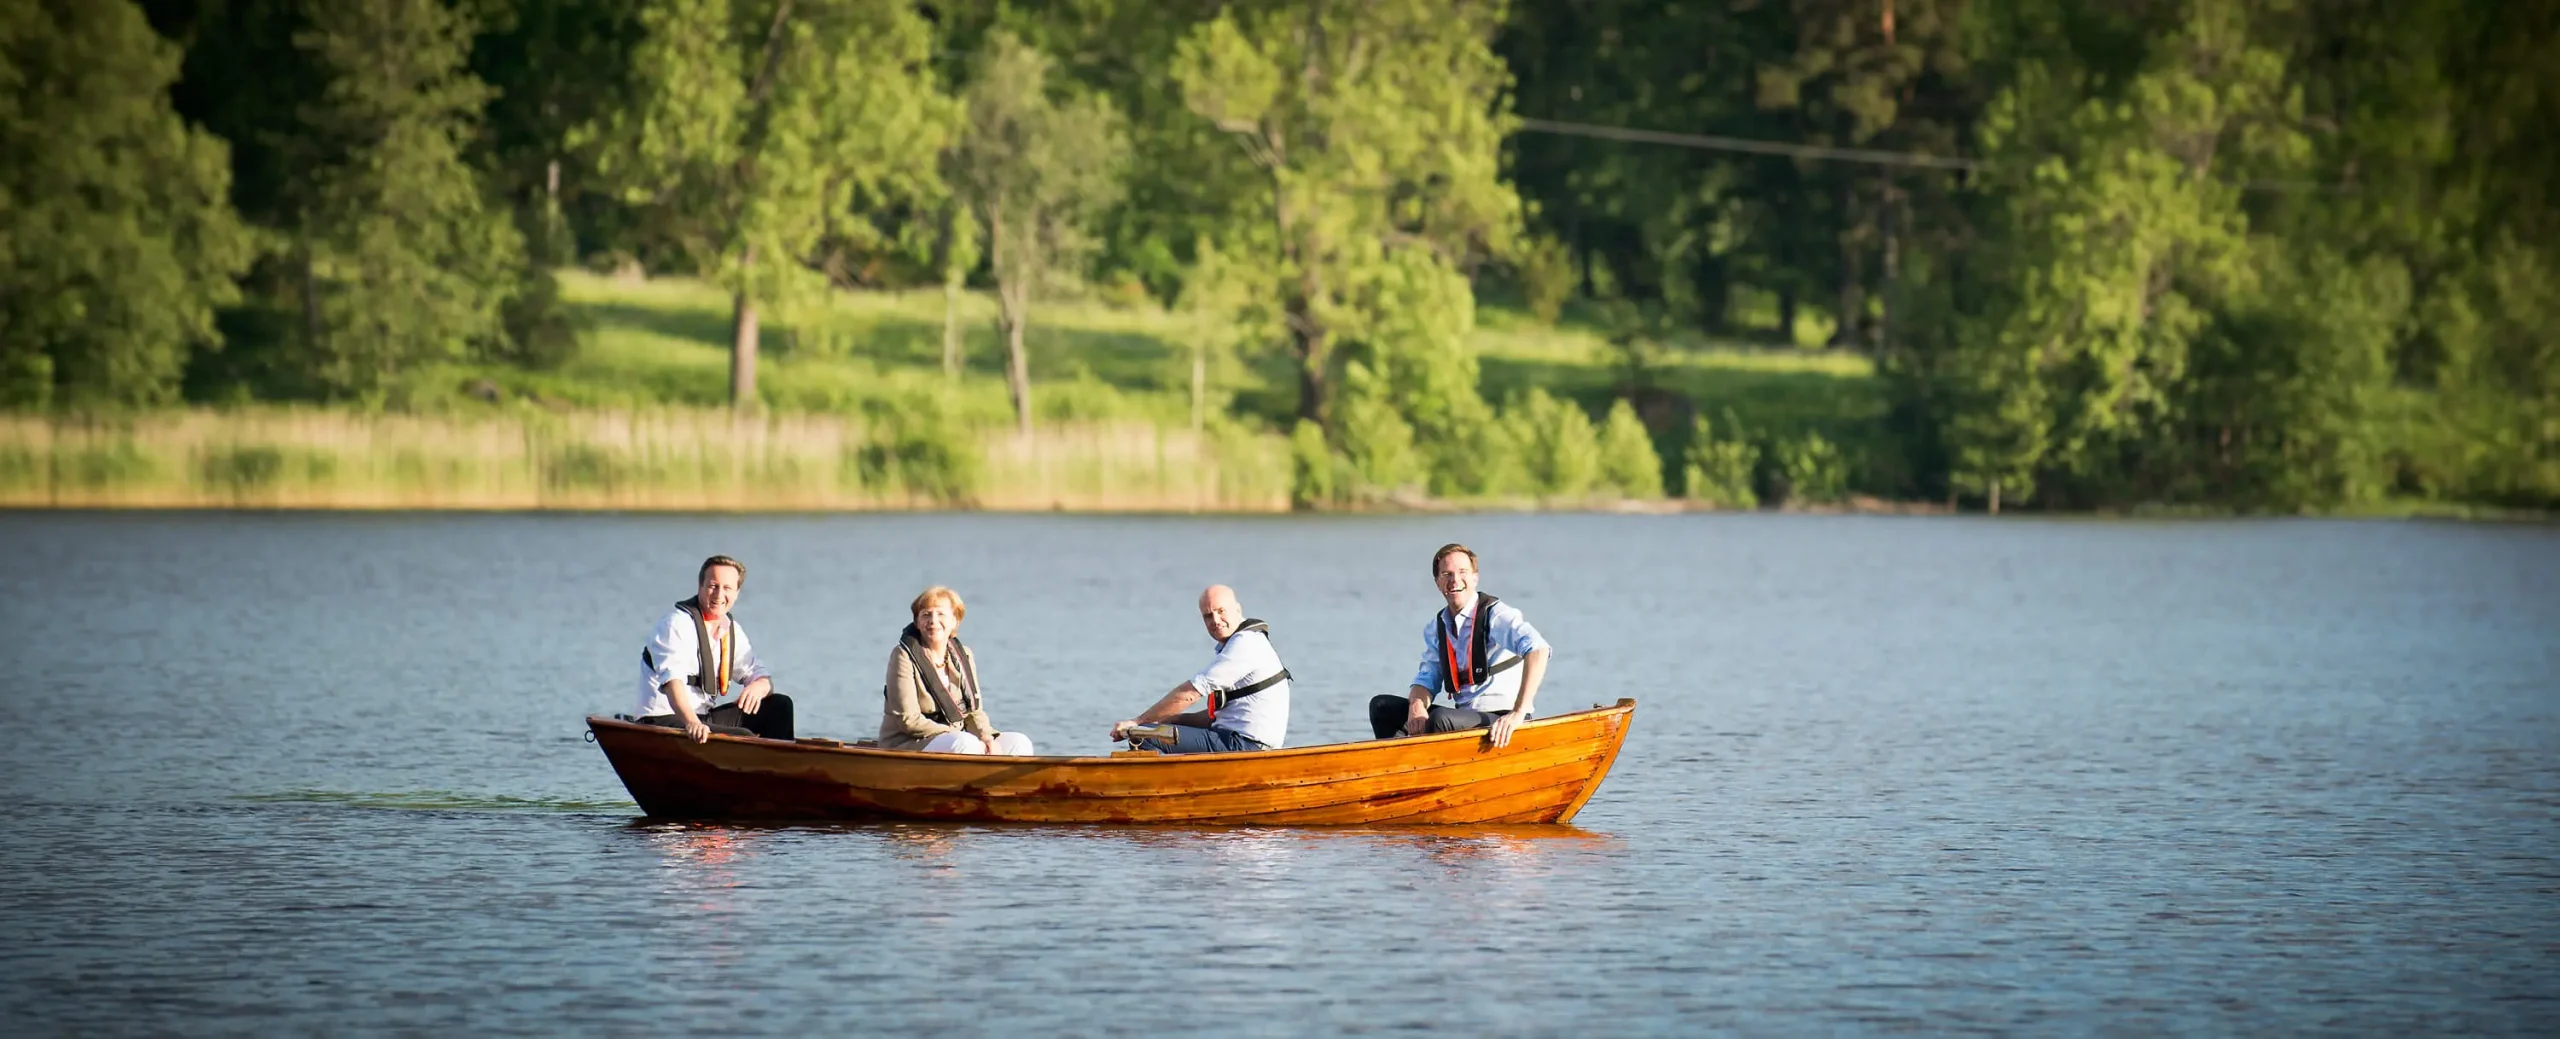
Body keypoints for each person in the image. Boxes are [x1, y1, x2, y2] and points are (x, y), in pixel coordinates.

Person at [1369, 543, 1551, 748]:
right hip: (1464, 718)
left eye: (1462, 572)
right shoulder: (1437, 627)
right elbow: (1426, 679)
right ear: (1437, 582)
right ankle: (1400, 772)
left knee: (1439, 719)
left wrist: (1517, 713)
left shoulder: (1496, 615)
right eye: (1446, 574)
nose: (1454, 580)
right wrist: (1417, 705)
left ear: (1475, 577)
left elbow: (1538, 649)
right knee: (1381, 706)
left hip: (1501, 719)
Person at [1109, 585, 1291, 754]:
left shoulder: (1245, 644)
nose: (1216, 621)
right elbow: (1216, 719)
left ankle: (1153, 787)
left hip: (1245, 746)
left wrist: (1137, 722)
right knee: (1156, 730)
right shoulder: (1245, 642)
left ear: (1238, 609)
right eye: (1208, 616)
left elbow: (1190, 694)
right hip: (1240, 741)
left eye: (1221, 611)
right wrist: (1170, 720)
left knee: (1142, 735)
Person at [634, 555, 793, 742]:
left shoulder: (730, 629)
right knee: (745, 737)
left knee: (780, 706)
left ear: (737, 592)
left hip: (702, 717)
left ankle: (782, 767)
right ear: (700, 586)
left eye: (727, 588)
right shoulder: (675, 624)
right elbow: (672, 682)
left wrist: (759, 686)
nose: (719, 595)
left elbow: (756, 671)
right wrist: (692, 723)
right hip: (662, 718)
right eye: (713, 586)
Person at [878, 586, 1035, 755]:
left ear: (955, 621)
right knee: (966, 743)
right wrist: (953, 733)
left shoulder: (964, 655)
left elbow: (973, 712)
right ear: (917, 622)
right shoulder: (903, 656)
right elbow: (908, 720)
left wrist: (986, 737)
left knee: (1019, 742)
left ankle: (998, 781)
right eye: (926, 614)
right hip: (909, 741)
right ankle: (963, 780)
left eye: (941, 614)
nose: (933, 620)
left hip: (955, 737)